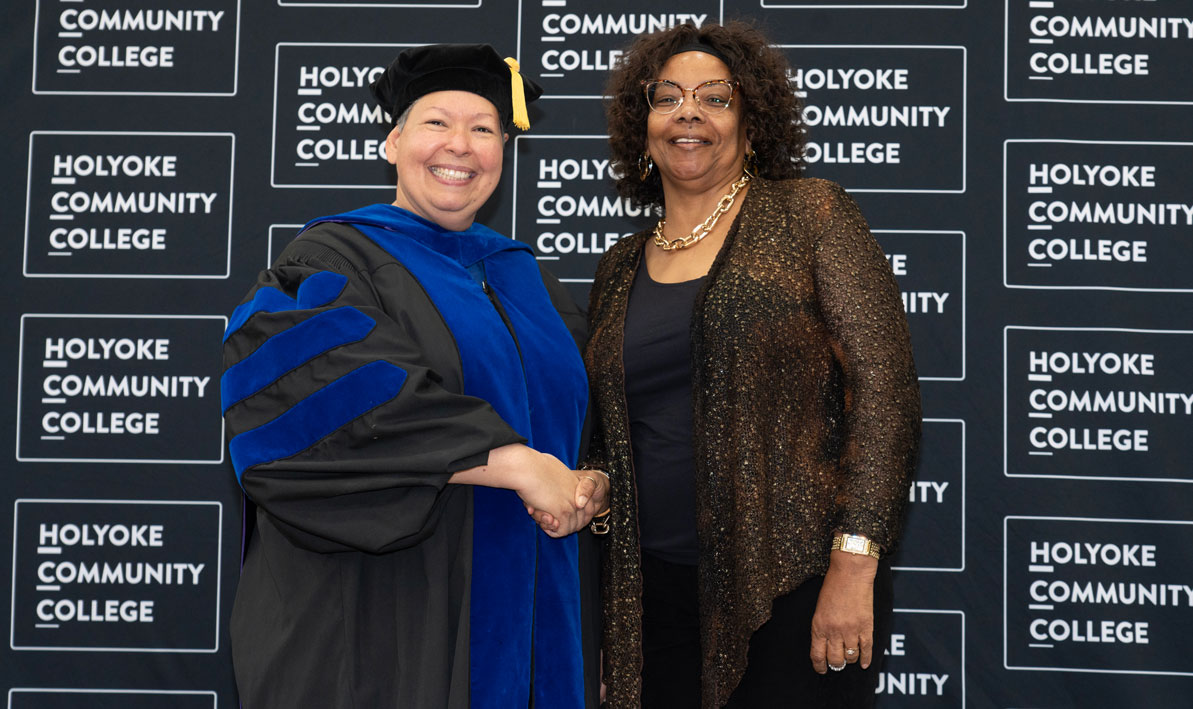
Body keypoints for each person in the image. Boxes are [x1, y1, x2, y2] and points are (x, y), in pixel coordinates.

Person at [220, 44, 607, 708]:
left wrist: (589, 479)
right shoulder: (332, 255)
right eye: (435, 122)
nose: (459, 145)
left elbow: (578, 423)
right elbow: (316, 403)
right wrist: (511, 462)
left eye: (484, 129)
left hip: (534, 627)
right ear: (392, 142)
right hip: (382, 618)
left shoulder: (529, 280)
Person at [585, 22, 921, 708]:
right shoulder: (619, 266)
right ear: (640, 123)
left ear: (751, 121)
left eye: (715, 97)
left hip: (792, 584)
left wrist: (854, 563)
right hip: (649, 595)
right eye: (667, 96)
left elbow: (883, 391)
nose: (688, 113)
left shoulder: (808, 215)